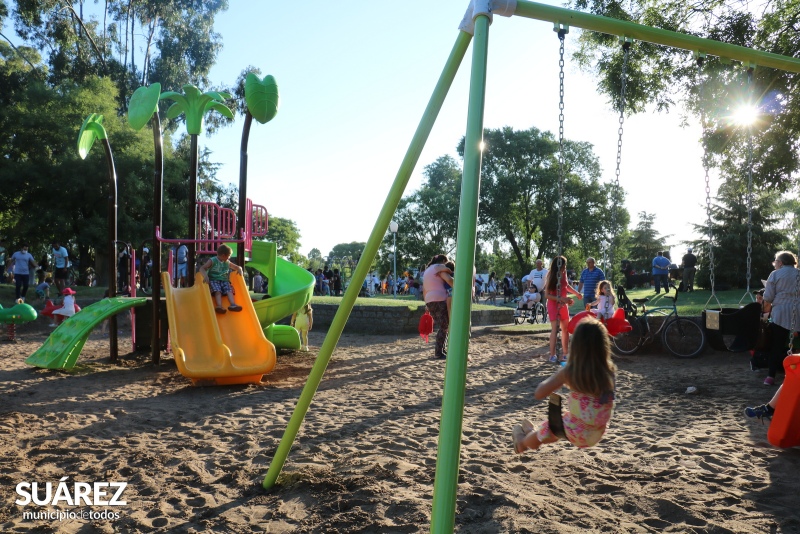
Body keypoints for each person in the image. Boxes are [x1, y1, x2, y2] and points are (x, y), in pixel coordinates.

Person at [512, 318, 616, 452]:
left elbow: (539, 393)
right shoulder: (609, 371)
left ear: (576, 346)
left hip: (576, 432)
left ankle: (523, 443)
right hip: (597, 432)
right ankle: (532, 433)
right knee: (557, 428)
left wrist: (558, 376)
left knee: (549, 430)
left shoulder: (570, 372)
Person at [762, 250, 800, 386]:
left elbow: (768, 297)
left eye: (775, 262)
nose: (775, 265)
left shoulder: (775, 274)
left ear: (781, 262)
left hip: (781, 313)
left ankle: (770, 376)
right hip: (798, 311)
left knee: (776, 345)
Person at [544, 255, 583, 362]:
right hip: (553, 305)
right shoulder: (551, 275)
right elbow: (547, 295)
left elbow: (566, 286)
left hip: (563, 304)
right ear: (559, 265)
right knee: (555, 329)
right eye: (564, 265)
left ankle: (566, 354)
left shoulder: (564, 274)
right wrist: (562, 299)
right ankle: (552, 355)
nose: (565, 267)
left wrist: (576, 293)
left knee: (565, 329)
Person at [422, 254, 454, 360]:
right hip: (439, 298)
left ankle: (442, 350)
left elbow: (424, 289)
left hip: (429, 299)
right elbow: (450, 280)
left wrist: (426, 303)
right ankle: (438, 352)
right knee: (444, 326)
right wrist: (448, 270)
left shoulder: (427, 271)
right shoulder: (438, 268)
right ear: (443, 261)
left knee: (443, 325)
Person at [199, 244, 245, 314]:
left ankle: (233, 305)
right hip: (214, 280)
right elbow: (202, 268)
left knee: (229, 290)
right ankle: (219, 306)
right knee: (218, 291)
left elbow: (237, 267)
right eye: (228, 256)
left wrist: (240, 269)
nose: (229, 258)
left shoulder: (227, 262)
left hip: (224, 280)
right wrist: (205, 276)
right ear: (223, 255)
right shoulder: (212, 260)